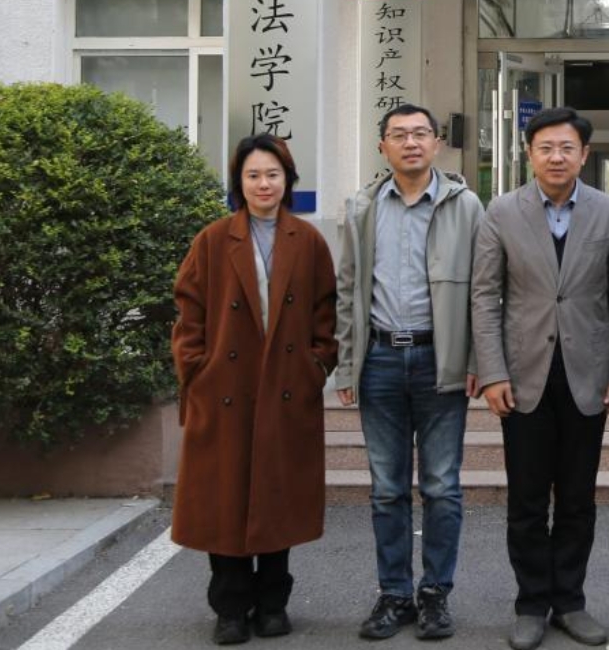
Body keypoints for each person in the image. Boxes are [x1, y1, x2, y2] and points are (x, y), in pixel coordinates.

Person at [471, 106, 609, 650]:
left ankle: (570, 600)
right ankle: (530, 604)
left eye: (567, 147)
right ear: (529, 153)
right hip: (522, 375)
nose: (556, 157)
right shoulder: (502, 211)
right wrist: (492, 372)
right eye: (545, 147)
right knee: (525, 499)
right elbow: (484, 297)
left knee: (577, 499)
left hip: (587, 375)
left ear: (584, 154)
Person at [171, 135, 338, 646]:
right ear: (238, 183)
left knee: (276, 496)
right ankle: (229, 607)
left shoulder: (307, 241)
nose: (263, 184)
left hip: (286, 388)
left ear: (288, 180)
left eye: (272, 174)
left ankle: (272, 604)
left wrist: (315, 366)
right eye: (253, 175)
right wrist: (197, 369)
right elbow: (188, 311)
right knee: (223, 499)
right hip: (224, 389)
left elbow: (326, 313)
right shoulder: (213, 240)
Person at [333, 104, 485, 641]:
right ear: (383, 147)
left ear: (437, 143)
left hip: (439, 359)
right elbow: (347, 290)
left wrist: (476, 361)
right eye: (399, 134)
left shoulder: (465, 205)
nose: (411, 142)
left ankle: (435, 593)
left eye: (421, 133)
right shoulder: (362, 206)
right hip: (378, 359)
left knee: (442, 486)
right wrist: (347, 365)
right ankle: (394, 594)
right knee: (386, 488)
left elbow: (483, 289)